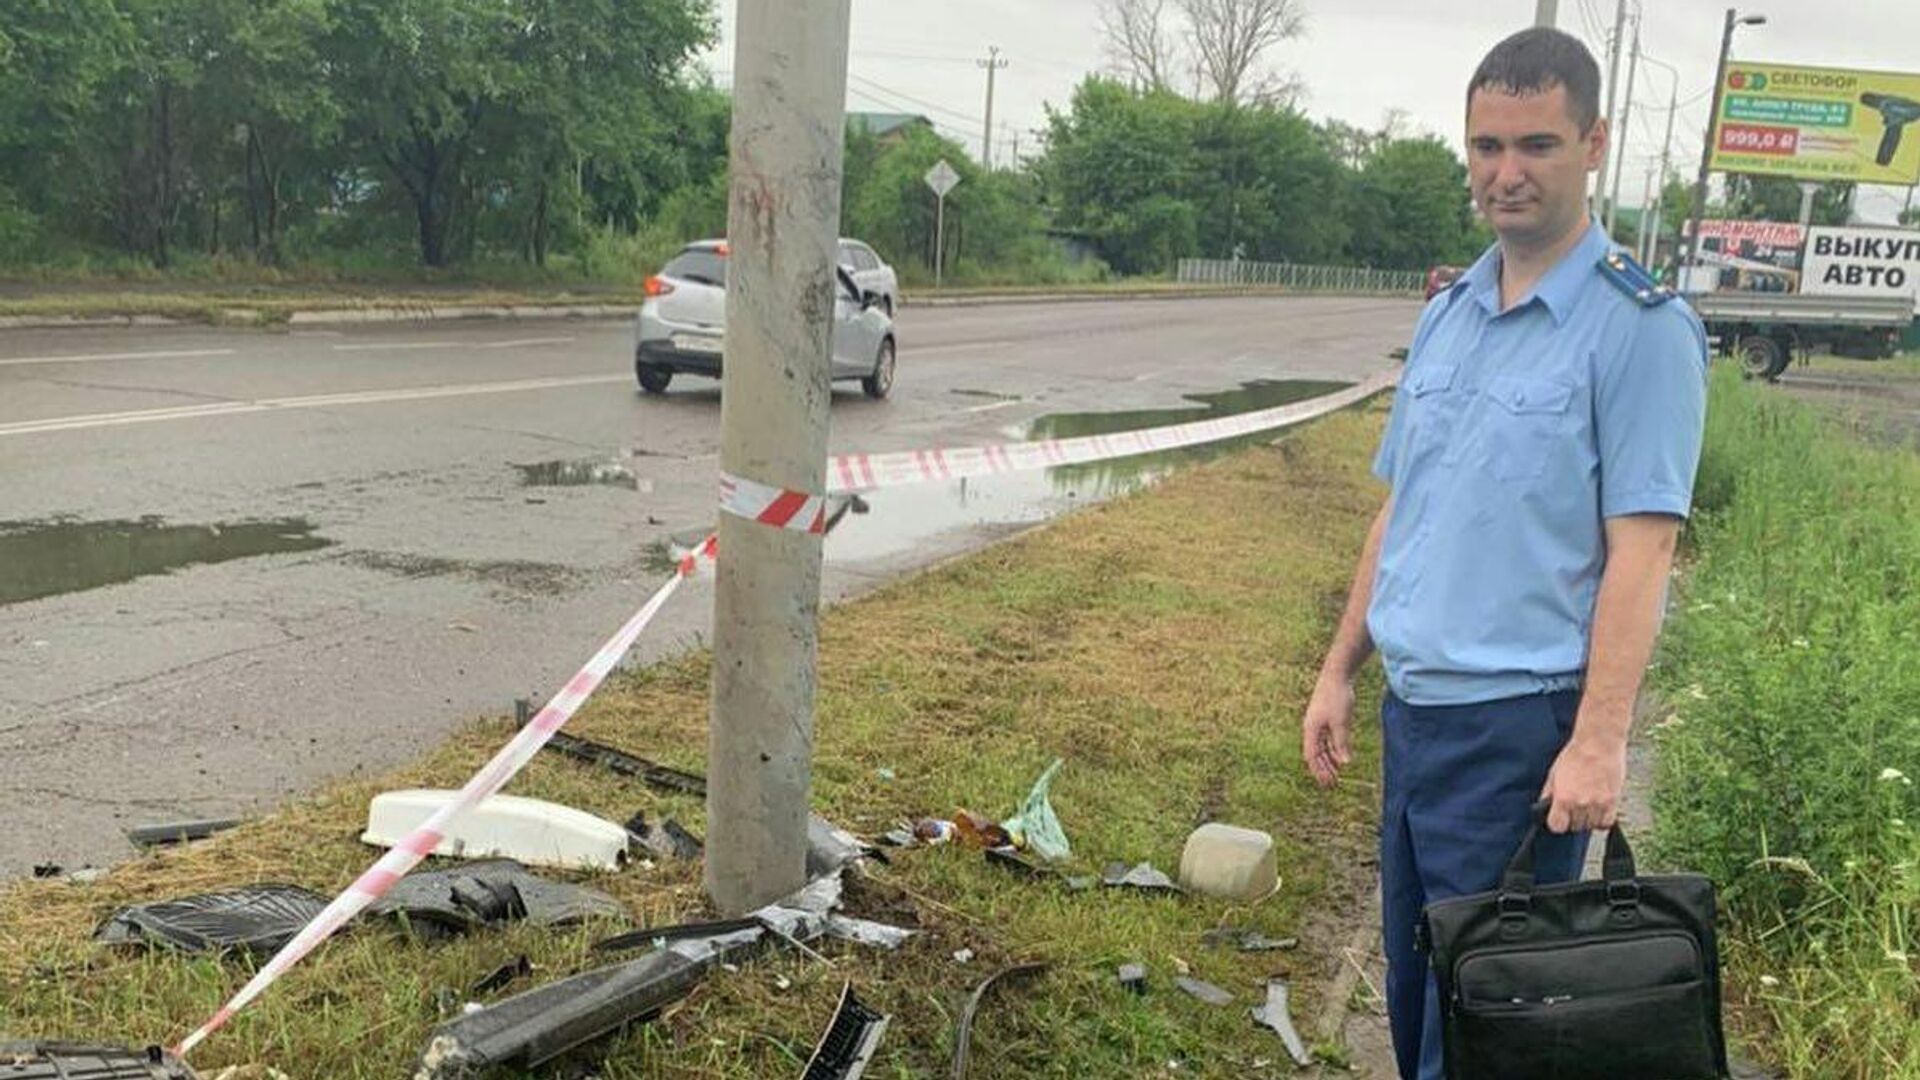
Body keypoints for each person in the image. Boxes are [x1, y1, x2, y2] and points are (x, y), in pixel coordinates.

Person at [1299, 26, 1708, 1080]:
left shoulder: (1640, 331)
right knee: (1414, 991)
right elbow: (1402, 511)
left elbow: (1644, 550)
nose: (1506, 172)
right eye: (1486, 147)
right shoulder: (1449, 313)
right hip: (1415, 718)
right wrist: (1341, 667)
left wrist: (1601, 742)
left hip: (1519, 735)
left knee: (1493, 1020)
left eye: (1536, 144)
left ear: (1594, 143)